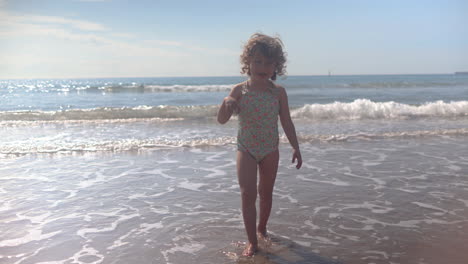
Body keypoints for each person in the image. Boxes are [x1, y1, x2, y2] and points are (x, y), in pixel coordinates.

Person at [217, 33, 302, 257]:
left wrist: (296, 146)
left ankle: (262, 227)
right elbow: (221, 120)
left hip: (270, 149)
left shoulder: (278, 92)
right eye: (257, 61)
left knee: (266, 192)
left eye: (268, 62)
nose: (263, 67)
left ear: (277, 65)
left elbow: (286, 121)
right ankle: (252, 241)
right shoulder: (239, 90)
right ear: (248, 63)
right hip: (245, 148)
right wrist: (227, 102)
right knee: (247, 194)